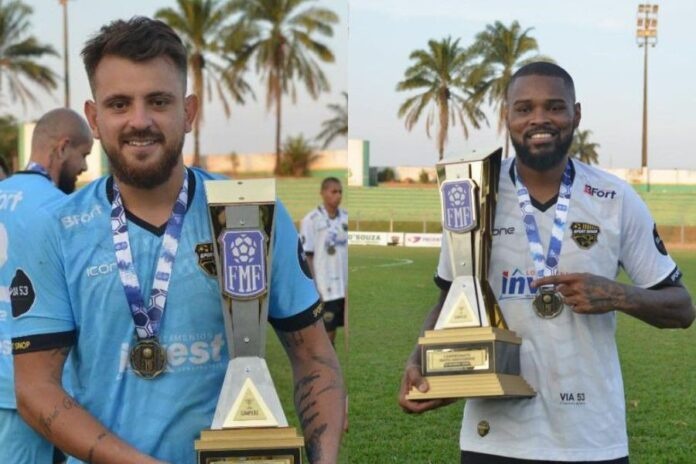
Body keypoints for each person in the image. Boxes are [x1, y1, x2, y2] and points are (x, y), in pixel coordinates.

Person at [11, 17, 344, 464]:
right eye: (119, 104)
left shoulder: (251, 216)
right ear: (94, 119)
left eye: (158, 101)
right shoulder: (56, 229)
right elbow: (35, 388)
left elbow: (314, 357)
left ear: (188, 112)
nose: (139, 121)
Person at [398, 62, 694, 463]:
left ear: (576, 114)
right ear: (507, 116)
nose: (539, 119)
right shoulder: (473, 193)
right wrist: (419, 360)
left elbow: (681, 308)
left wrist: (616, 295)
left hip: (590, 439)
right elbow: (451, 296)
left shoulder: (615, 198)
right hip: (493, 438)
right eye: (524, 108)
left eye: (555, 107)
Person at [0, 108, 93, 463]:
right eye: (83, 154)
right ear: (62, 148)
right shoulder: (61, 210)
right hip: (28, 387)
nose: (85, 166)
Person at [300, 177, 349, 346]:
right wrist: (314, 287)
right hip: (325, 287)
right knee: (327, 334)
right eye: (334, 191)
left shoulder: (346, 218)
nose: (338, 195)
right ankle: (327, 361)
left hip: (343, 287)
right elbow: (307, 256)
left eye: (340, 192)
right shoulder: (311, 220)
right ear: (322, 193)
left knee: (337, 331)